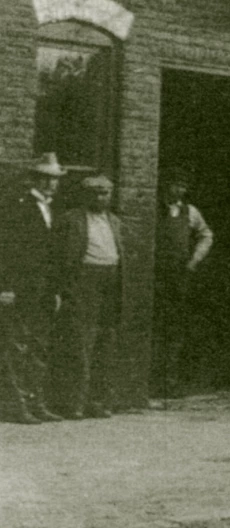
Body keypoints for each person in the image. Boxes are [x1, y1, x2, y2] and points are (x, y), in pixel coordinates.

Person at [49, 175, 125, 419]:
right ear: (85, 195)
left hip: (110, 282)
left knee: (105, 340)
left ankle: (98, 401)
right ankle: (74, 403)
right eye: (95, 193)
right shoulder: (71, 220)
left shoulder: (114, 221)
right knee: (80, 342)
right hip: (83, 282)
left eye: (105, 193)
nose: (100, 198)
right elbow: (58, 257)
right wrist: (63, 288)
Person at [0, 153, 67, 424]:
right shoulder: (17, 207)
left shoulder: (52, 209)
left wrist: (55, 290)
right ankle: (15, 406)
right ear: (34, 179)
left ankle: (35, 401)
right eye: (46, 179)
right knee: (17, 345)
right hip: (20, 288)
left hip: (42, 289)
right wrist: (5, 286)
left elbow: (52, 256)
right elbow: (6, 249)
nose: (51, 184)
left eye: (55, 180)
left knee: (39, 345)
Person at [153, 167, 213, 397]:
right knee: (156, 327)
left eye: (183, 186)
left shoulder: (190, 212)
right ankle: (153, 381)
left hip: (179, 277)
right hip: (156, 276)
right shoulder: (154, 208)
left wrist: (194, 259)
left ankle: (170, 381)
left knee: (175, 327)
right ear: (166, 186)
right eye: (175, 185)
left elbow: (206, 235)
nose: (179, 190)